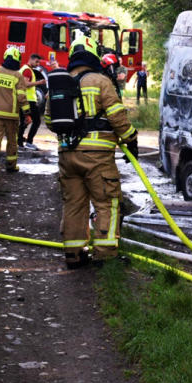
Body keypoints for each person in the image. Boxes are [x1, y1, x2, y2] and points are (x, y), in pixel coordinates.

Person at [45, 36, 139, 269]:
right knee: (107, 202)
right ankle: (105, 256)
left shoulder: (60, 84)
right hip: (97, 157)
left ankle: (74, 255)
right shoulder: (100, 80)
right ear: (93, 56)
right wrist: (131, 140)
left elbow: (49, 120)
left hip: (67, 155)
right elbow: (117, 115)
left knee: (74, 203)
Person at [0, 47, 31, 173]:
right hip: (11, 115)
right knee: (12, 140)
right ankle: (10, 165)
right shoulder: (17, 76)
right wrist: (27, 113)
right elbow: (21, 97)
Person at [18, 54, 47, 151]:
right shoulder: (27, 70)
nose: (38, 64)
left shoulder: (24, 69)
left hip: (24, 99)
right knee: (36, 121)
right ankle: (28, 142)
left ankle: (20, 143)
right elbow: (25, 84)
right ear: (31, 59)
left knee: (25, 121)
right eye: (36, 61)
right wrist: (39, 83)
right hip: (29, 100)